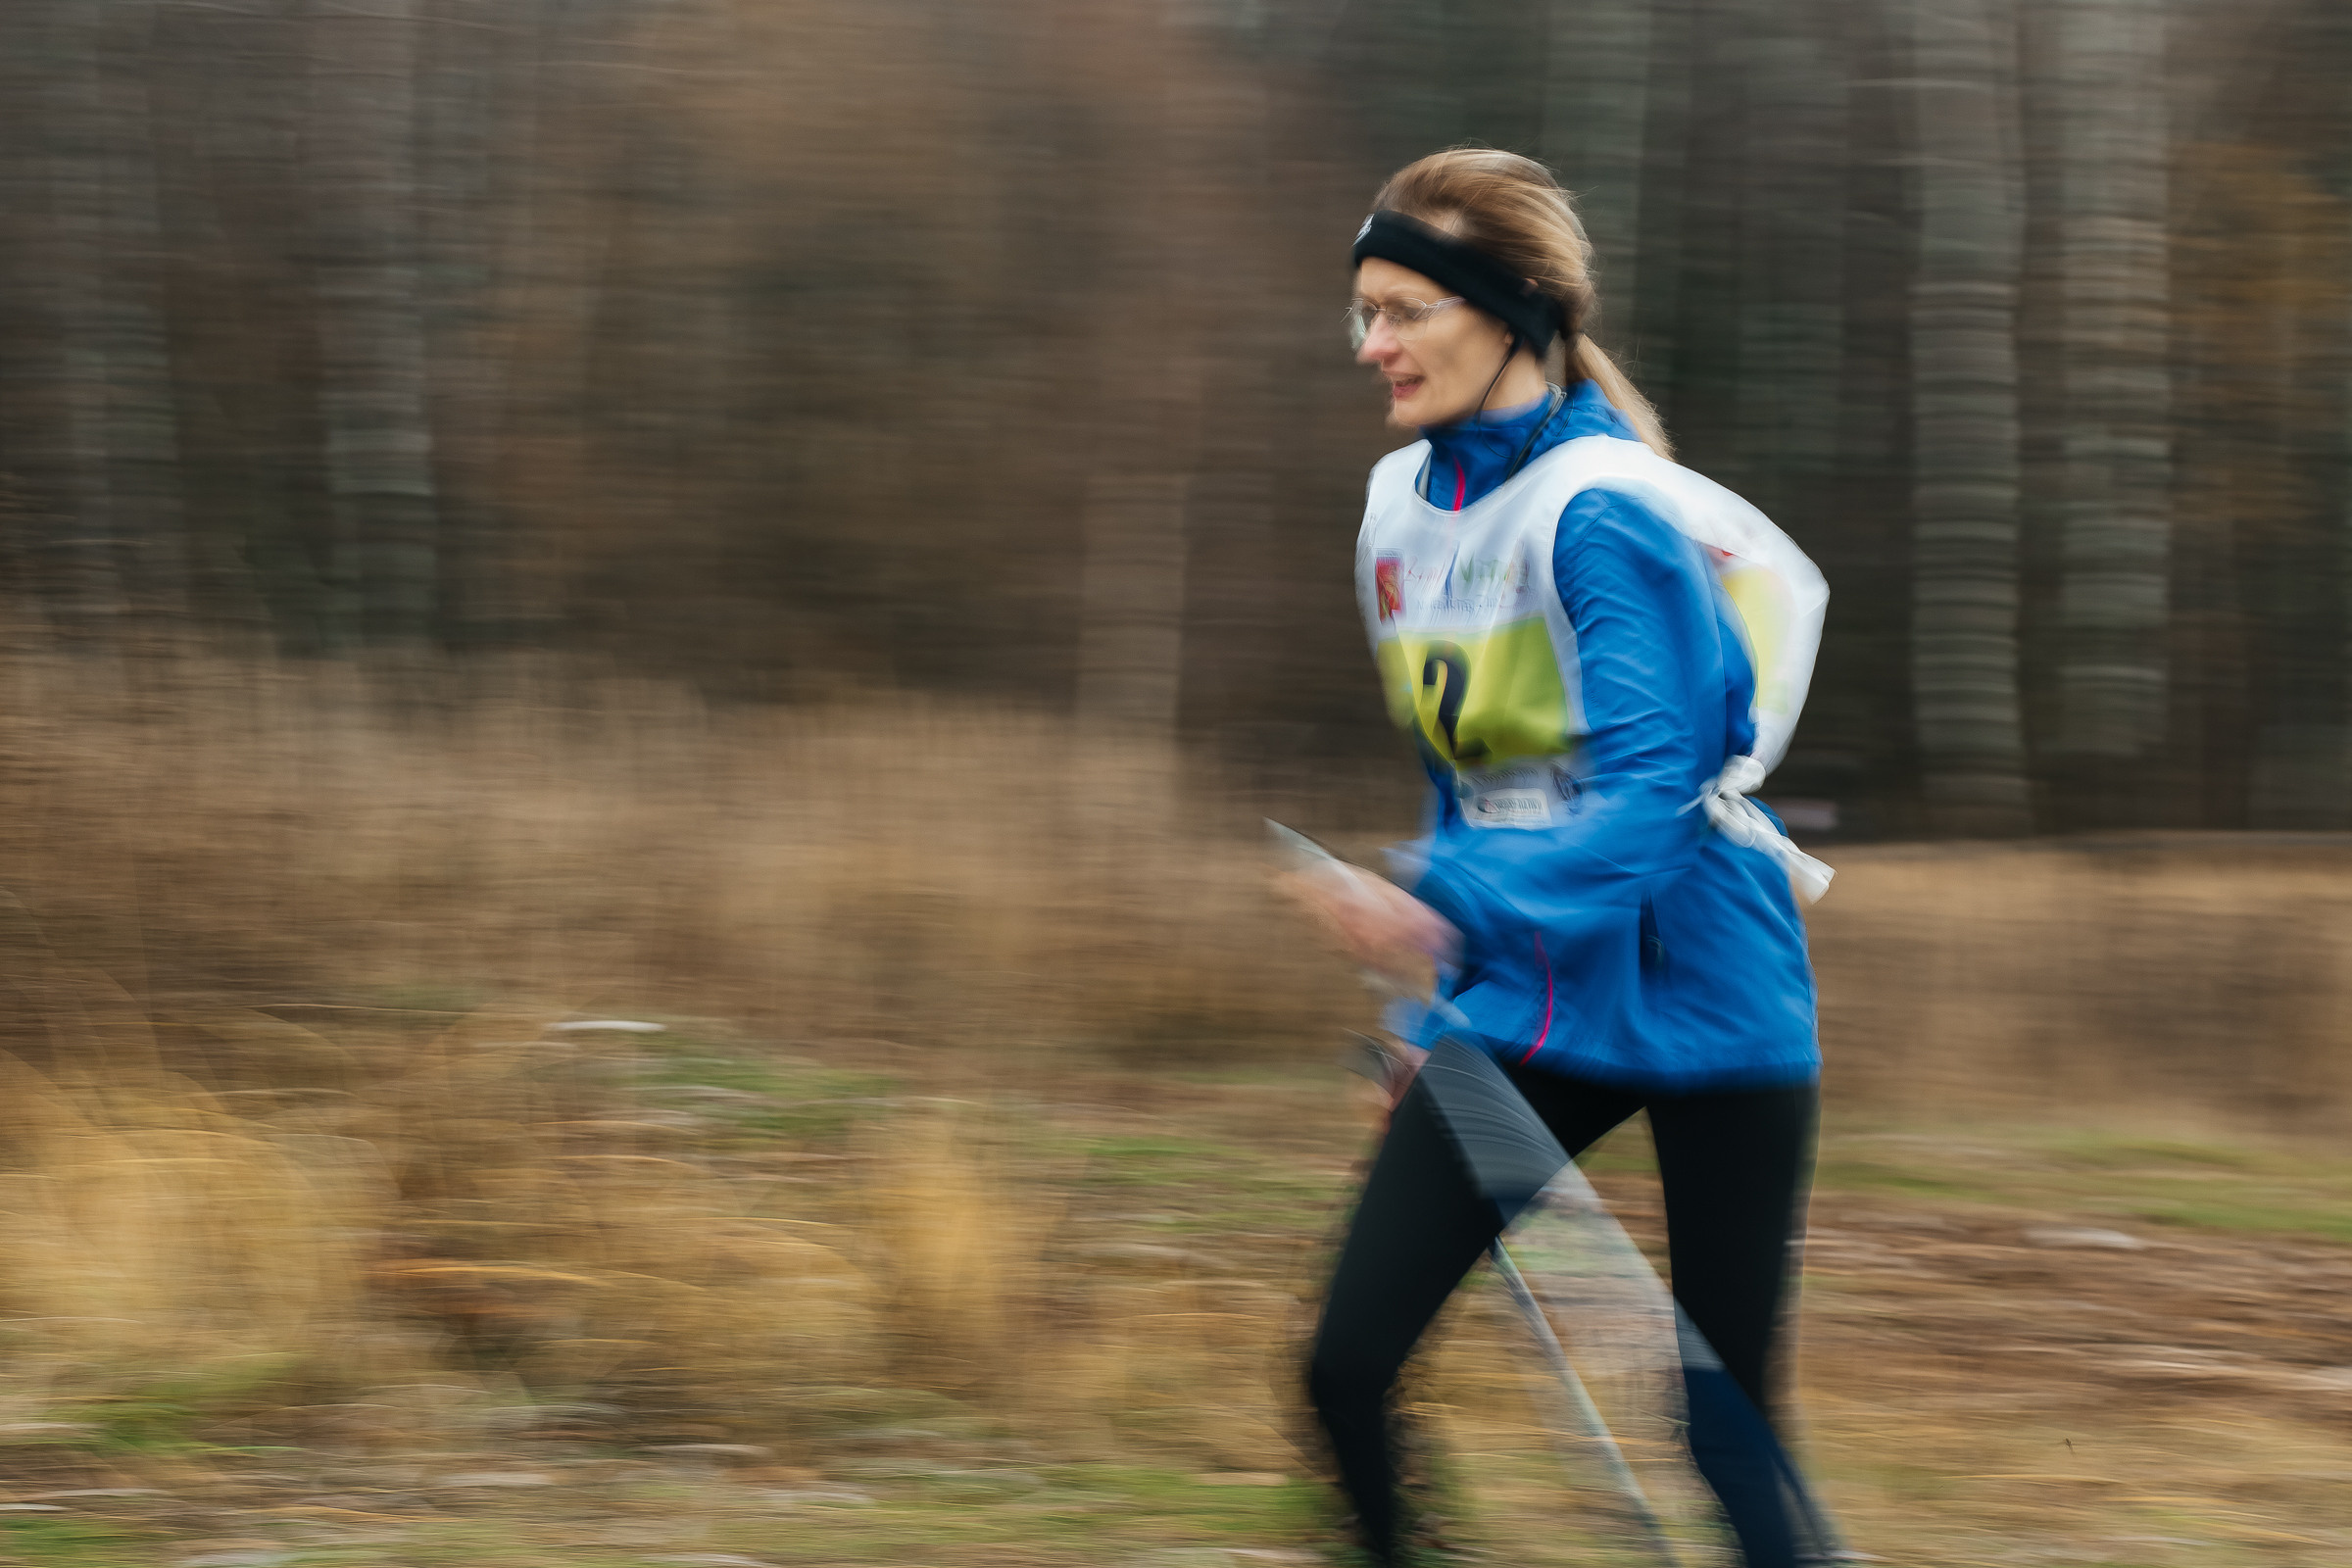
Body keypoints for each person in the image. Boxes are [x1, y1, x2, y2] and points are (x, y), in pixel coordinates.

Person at [1289, 148, 1829, 1567]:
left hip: (1708, 987)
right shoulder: (1398, 512)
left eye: (1406, 311)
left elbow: (1650, 799)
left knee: (1724, 1426)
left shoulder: (1604, 508)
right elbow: (1467, 784)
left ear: (1512, 311)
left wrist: (1441, 903)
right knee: (1342, 1369)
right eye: (1365, 313)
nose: (1374, 345)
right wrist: (1431, 999)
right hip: (1531, 991)